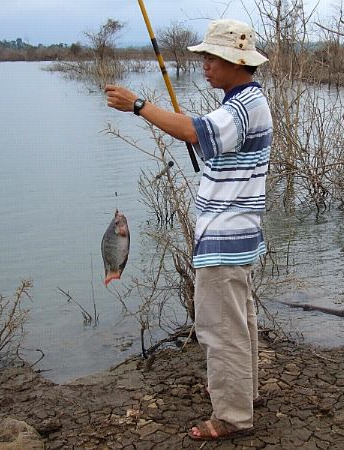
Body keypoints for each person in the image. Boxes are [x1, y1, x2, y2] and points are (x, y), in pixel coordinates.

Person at [105, 19, 272, 441]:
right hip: (238, 236)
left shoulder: (244, 105)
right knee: (241, 322)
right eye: (204, 58)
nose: (205, 66)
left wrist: (138, 105)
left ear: (236, 61)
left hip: (224, 239)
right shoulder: (243, 102)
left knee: (220, 330)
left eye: (212, 58)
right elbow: (203, 134)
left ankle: (233, 416)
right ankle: (243, 392)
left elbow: (192, 130)